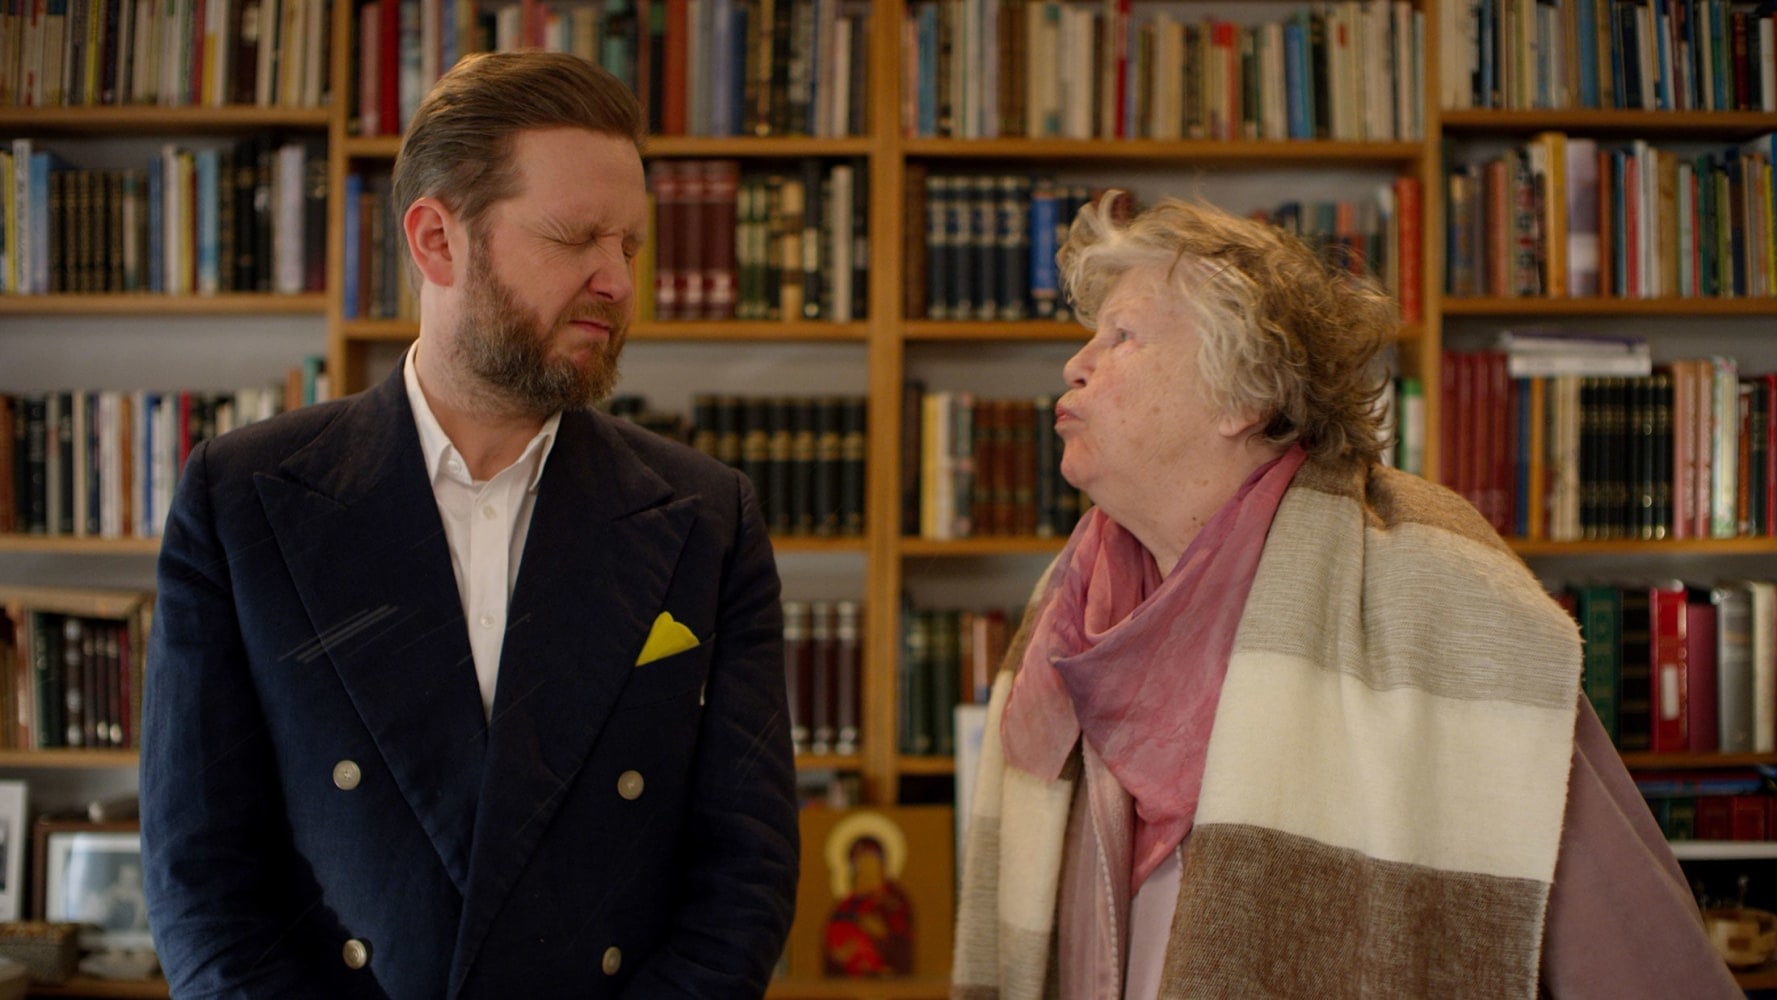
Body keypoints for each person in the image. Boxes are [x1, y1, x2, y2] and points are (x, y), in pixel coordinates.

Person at [950, 195, 1740, 998]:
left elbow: (1629, 950)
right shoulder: (1069, 605)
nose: (1074, 364)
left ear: (1243, 393)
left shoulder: (1428, 584)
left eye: (1121, 336)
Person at [141, 51, 799, 998]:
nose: (617, 282)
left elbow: (746, 876)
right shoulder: (242, 498)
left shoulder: (707, 516)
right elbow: (197, 876)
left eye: (631, 247)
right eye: (575, 238)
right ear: (436, 240)